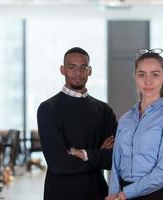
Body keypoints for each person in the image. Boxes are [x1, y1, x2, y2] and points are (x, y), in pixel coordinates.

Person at [37, 47, 117, 200]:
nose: (78, 73)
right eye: (72, 67)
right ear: (62, 70)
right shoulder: (48, 109)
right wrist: (98, 154)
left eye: (83, 67)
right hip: (61, 194)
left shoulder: (104, 110)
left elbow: (116, 158)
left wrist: (84, 154)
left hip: (97, 193)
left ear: (90, 71)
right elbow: (58, 164)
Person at [106, 48, 163, 200]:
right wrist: (113, 194)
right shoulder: (125, 119)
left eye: (155, 74)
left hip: (156, 195)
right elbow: (116, 163)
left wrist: (124, 194)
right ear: (135, 77)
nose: (148, 81)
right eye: (142, 74)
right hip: (121, 194)